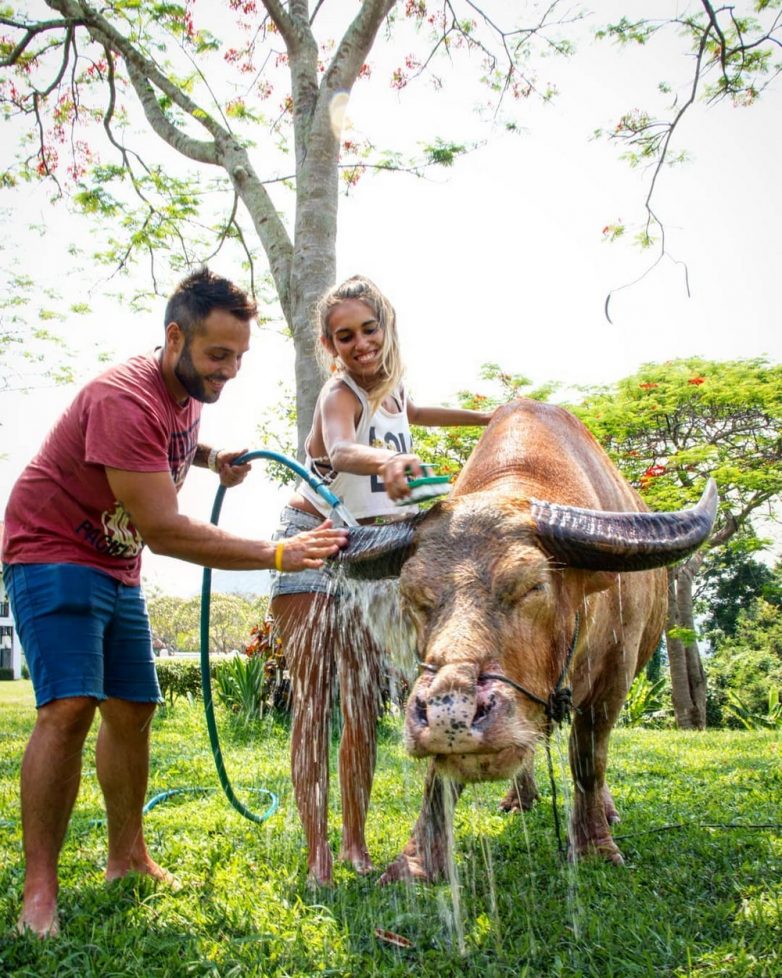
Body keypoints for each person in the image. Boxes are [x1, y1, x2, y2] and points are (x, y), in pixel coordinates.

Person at [1, 266, 347, 937]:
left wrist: (212, 457)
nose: (229, 372)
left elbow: (165, 446)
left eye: (239, 358)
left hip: (114, 559)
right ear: (173, 339)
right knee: (68, 708)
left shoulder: (186, 394)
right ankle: (38, 889)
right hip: (52, 549)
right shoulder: (121, 398)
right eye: (218, 356)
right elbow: (164, 533)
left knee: (134, 708)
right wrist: (277, 554)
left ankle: (127, 858)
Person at [269, 274, 494, 886]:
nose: (361, 344)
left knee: (362, 706)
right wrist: (388, 461)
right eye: (345, 336)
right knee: (315, 704)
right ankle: (318, 855)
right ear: (329, 344)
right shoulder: (337, 394)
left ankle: (353, 845)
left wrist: (492, 418)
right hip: (315, 542)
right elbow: (341, 452)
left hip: (372, 550)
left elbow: (418, 412)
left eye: (369, 329)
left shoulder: (394, 394)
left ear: (386, 326)